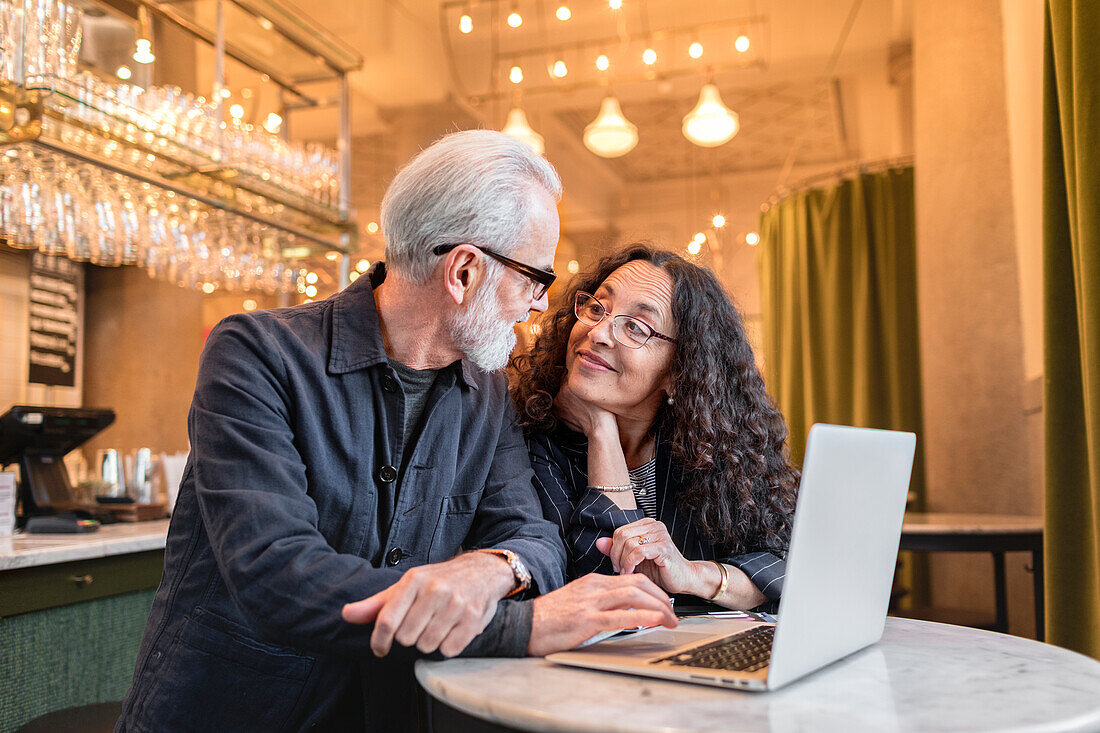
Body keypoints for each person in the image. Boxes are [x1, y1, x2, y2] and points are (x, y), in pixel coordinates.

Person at [116, 132, 675, 733]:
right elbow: (277, 576)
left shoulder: (485, 391)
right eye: (535, 277)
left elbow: (530, 534)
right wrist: (527, 625)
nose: (539, 305)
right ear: (463, 271)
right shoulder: (257, 354)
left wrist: (492, 567)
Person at [512, 244, 800, 610]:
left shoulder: (711, 445)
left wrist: (695, 574)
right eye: (597, 308)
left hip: (705, 656)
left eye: (635, 327)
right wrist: (601, 432)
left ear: (680, 370)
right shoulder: (534, 437)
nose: (598, 333)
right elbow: (608, 588)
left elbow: (790, 563)